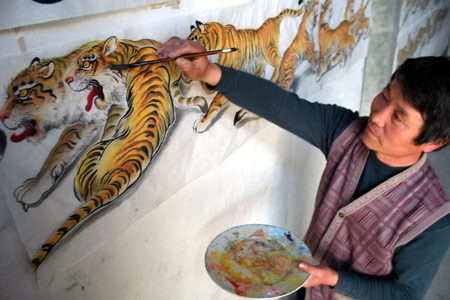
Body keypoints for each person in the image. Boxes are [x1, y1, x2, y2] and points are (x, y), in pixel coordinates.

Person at [157, 39, 450, 300]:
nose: (377, 116)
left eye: (398, 116)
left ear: (434, 142)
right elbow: (281, 105)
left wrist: (334, 279)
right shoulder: (344, 131)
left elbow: (406, 293)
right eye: (385, 96)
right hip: (304, 289)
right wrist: (209, 72)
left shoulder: (432, 218)